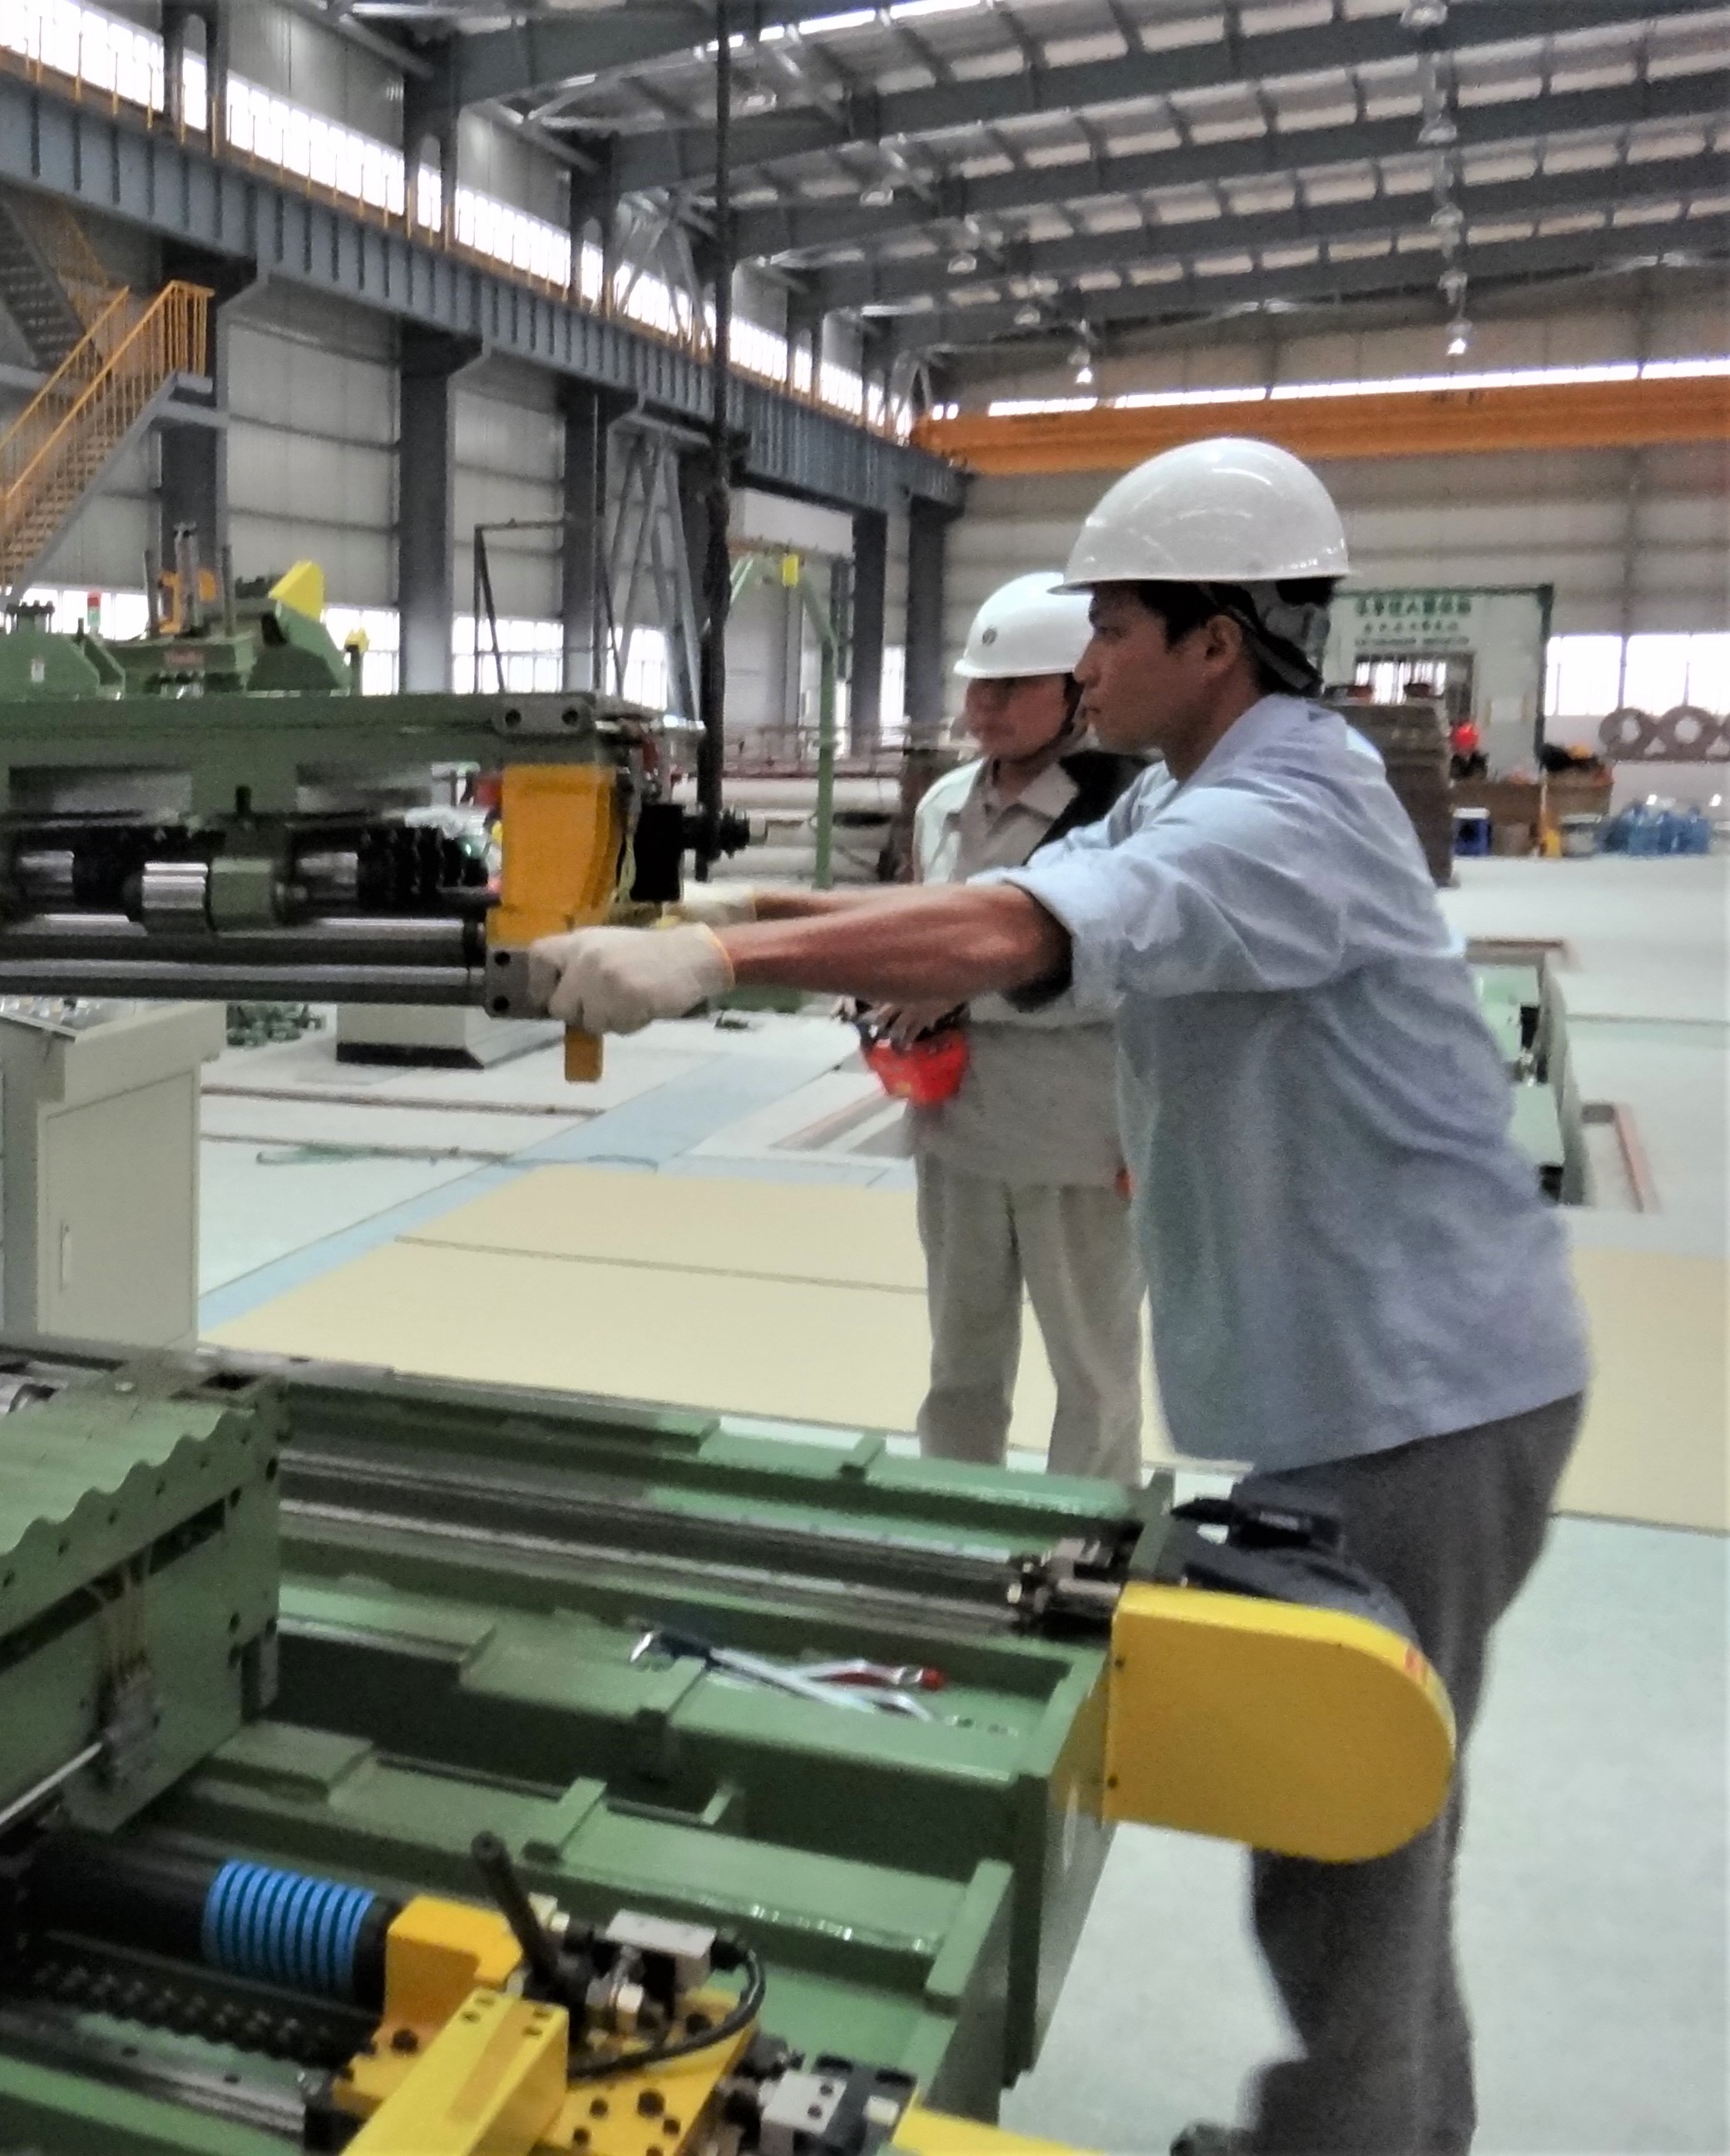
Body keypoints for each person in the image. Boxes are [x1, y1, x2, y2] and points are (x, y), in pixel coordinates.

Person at [528, 437, 1588, 2156]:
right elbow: (979, 897)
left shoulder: (1274, 821)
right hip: (1386, 1372)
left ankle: (1359, 2145)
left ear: (1216, 639)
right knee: (1346, 1822)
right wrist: (736, 903)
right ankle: (1356, 2129)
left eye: (1109, 624)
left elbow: (1016, 936)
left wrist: (716, 962)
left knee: (1357, 1825)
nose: (1080, 656)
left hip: (1425, 1391)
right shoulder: (1200, 782)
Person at [691, 572, 1148, 1482]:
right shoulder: (945, 802)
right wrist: (874, 978)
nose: (986, 708)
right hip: (957, 1129)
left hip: (1080, 1143)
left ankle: (1090, 1539)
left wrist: (954, 989)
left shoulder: (1123, 809)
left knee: (1092, 1372)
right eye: (978, 686)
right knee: (960, 1363)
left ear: (1076, 690)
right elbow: (921, 922)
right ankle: (954, 1516)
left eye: (1012, 687)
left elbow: (1125, 973)